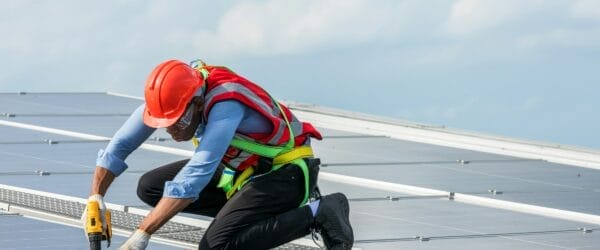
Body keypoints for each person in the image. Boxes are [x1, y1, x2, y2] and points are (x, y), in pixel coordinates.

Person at [81, 59, 354, 250]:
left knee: (216, 246)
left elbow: (195, 175)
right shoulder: (174, 94)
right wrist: (95, 197)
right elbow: (119, 146)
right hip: (244, 171)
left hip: (286, 173)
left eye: (176, 121)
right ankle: (242, 215)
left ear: (198, 103)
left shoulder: (226, 103)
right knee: (150, 188)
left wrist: (142, 234)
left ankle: (319, 212)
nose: (171, 131)